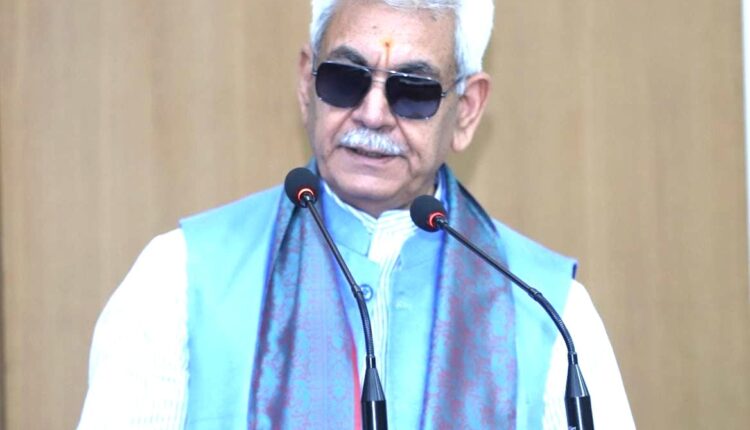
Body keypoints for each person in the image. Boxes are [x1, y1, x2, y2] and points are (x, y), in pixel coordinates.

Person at [79, 0, 635, 428]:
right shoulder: (178, 279)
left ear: (466, 111)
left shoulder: (550, 311)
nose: (372, 114)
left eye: (412, 91)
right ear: (307, 84)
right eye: (345, 80)